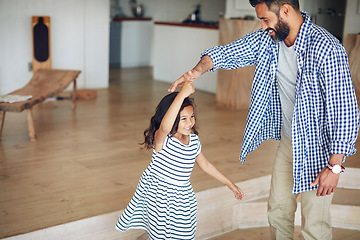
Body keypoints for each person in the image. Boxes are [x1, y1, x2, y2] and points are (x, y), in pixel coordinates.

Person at [168, 0, 359, 239]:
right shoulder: (268, 39)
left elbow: (346, 111)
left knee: (315, 224)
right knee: (278, 210)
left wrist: (335, 165)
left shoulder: (326, 48)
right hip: (289, 143)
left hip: (320, 152)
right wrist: (197, 70)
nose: (262, 26)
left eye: (265, 19)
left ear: (286, 10)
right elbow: (226, 53)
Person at [115, 82, 243, 240]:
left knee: (184, 232)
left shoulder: (194, 142)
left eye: (192, 117)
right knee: (159, 232)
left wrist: (229, 183)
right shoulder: (162, 140)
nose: (189, 122)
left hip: (181, 196)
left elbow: (206, 165)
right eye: (183, 118)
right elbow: (164, 128)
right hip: (159, 194)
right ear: (170, 118)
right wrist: (182, 94)